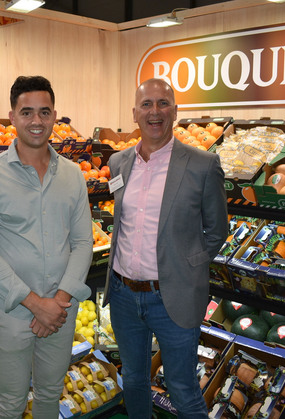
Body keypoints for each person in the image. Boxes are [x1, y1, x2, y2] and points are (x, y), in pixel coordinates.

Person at [0, 75, 93, 418]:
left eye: (44, 112)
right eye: (27, 112)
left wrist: (58, 302)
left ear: (54, 116)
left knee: (51, 394)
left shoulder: (72, 175)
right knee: (11, 403)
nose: (36, 120)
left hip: (61, 311)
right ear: (12, 117)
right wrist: (38, 305)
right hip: (13, 313)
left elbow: (83, 242)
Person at [102, 78, 228, 418]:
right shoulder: (118, 162)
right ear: (135, 113)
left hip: (174, 295)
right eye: (146, 104)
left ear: (175, 111)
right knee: (133, 379)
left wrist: (186, 266)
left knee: (182, 388)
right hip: (124, 295)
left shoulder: (202, 165)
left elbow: (218, 231)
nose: (154, 112)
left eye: (162, 103)